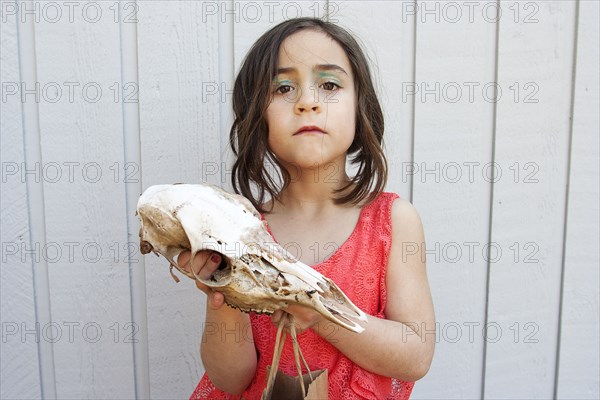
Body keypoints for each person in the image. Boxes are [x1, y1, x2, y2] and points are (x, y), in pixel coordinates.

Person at [177, 17, 435, 399]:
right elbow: (230, 380)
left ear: (359, 106)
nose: (308, 102)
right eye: (283, 87)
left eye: (329, 84)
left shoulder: (393, 221)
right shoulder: (240, 230)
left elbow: (415, 355)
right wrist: (223, 295)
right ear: (257, 117)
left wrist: (321, 315)